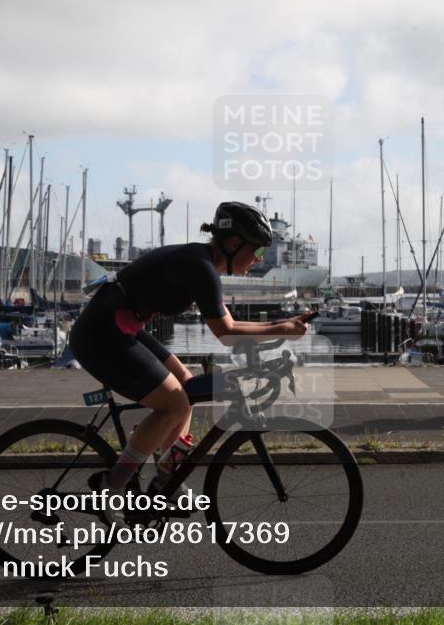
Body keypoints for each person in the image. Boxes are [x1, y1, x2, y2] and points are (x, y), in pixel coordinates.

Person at [69, 201, 310, 526]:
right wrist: (283, 329)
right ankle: (111, 486)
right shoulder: (200, 267)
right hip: (102, 334)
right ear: (234, 243)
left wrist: (278, 331)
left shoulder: (201, 262)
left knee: (187, 385)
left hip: (121, 326)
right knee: (173, 403)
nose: (258, 260)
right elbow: (226, 332)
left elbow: (229, 326)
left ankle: (166, 478)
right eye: (256, 251)